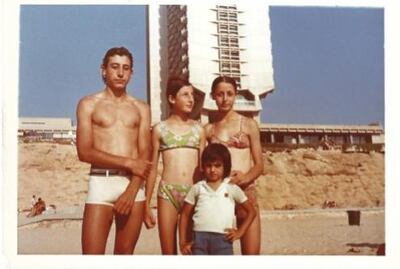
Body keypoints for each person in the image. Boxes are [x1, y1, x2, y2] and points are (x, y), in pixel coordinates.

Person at [76, 47, 152, 255]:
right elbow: (84, 151)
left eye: (126, 68)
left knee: (124, 258)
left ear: (131, 73)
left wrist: (132, 190)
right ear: (103, 70)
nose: (120, 73)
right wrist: (128, 162)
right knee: (91, 257)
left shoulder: (141, 108)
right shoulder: (88, 104)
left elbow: (145, 154)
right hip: (101, 182)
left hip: (133, 185)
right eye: (115, 67)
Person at [143, 77, 206, 254]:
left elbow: (204, 170)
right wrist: (146, 205)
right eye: (185, 94)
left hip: (193, 193)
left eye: (192, 95)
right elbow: (153, 168)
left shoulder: (199, 129)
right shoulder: (159, 129)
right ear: (172, 99)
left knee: (191, 251)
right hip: (167, 193)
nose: (191, 99)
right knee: (168, 253)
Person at [204, 76, 263, 255]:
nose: (225, 98)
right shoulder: (209, 130)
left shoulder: (249, 124)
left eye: (229, 94)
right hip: (220, 195)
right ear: (213, 96)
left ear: (236, 95)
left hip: (246, 192)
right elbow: (203, 166)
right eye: (220, 94)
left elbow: (260, 165)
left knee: (251, 255)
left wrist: (245, 177)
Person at [179, 143, 256, 255]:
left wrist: (239, 233)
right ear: (203, 166)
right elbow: (185, 215)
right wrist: (182, 242)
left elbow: (251, 212)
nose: (212, 170)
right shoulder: (197, 188)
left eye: (217, 165)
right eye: (208, 165)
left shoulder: (231, 188)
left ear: (225, 166)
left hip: (223, 241)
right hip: (199, 240)